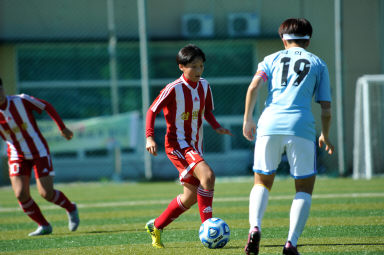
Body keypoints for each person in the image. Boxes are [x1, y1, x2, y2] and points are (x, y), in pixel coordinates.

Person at [242, 18, 334, 255]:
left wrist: (248, 119)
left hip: (269, 124)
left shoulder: (270, 59)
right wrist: (325, 134)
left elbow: (253, 87)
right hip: (300, 127)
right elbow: (326, 108)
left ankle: (255, 227)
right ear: (308, 40)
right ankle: (291, 243)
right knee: (303, 187)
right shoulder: (318, 63)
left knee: (262, 182)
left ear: (283, 38)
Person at [144, 44, 232, 248]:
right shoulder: (173, 88)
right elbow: (151, 110)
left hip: (194, 146)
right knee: (208, 176)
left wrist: (217, 127)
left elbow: (207, 112)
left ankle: (156, 226)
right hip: (177, 145)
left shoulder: (204, 85)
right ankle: (209, 229)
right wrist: (149, 138)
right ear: (181, 67)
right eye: (193, 66)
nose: (198, 70)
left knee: (190, 197)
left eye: (201, 66)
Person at [0, 77, 79, 236]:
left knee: (46, 193)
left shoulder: (21, 101)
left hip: (38, 151)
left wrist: (62, 127)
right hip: (17, 154)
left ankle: (70, 207)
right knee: (21, 194)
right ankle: (44, 225)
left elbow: (46, 105)